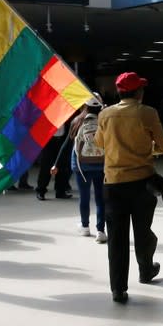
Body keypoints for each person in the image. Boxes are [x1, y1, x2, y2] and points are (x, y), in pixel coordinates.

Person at [94, 71, 163, 303]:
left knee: (117, 238)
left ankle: (118, 289)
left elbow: (99, 143)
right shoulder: (147, 112)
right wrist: (149, 150)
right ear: (138, 92)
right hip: (142, 182)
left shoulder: (105, 114)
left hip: (114, 183)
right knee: (143, 231)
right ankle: (146, 270)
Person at [70, 94, 108, 243]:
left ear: (84, 105)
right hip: (101, 164)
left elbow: (70, 145)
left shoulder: (77, 121)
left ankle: (85, 227)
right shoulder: (104, 121)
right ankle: (101, 230)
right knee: (100, 198)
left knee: (84, 197)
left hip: (81, 166)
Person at [35, 125, 73, 200]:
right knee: (46, 165)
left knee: (62, 165)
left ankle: (60, 191)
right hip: (49, 138)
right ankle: (41, 191)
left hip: (63, 138)